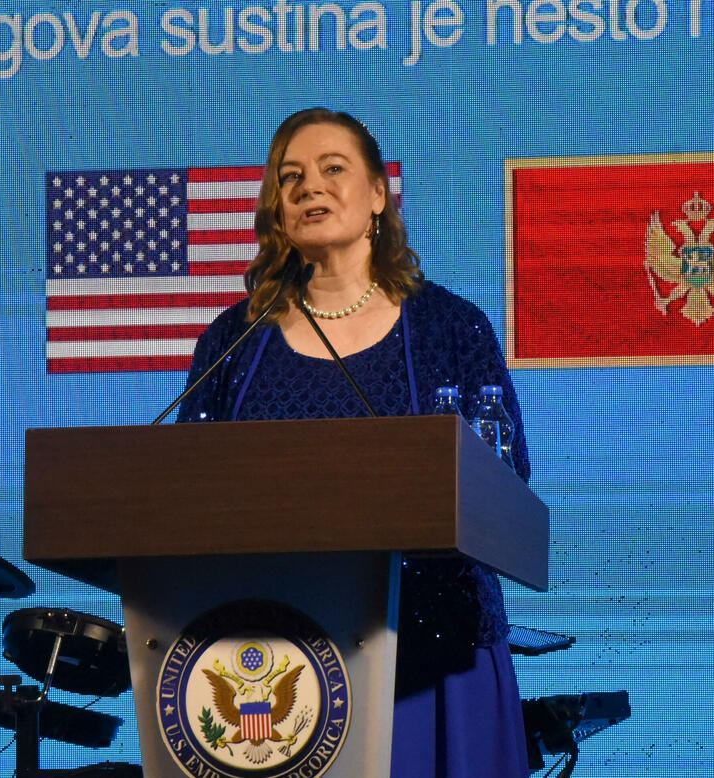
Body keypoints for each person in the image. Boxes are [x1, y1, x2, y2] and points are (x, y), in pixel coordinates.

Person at [177, 107, 532, 777]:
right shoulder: (234, 342)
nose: (309, 186)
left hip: (434, 653)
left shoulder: (450, 328)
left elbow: (507, 481)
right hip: (273, 673)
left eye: (332, 168)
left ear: (377, 196)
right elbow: (182, 492)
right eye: (290, 178)